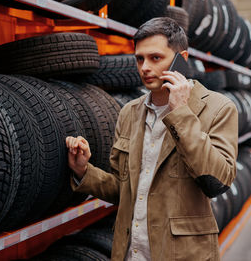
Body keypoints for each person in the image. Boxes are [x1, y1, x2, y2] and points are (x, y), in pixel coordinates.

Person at [65, 17, 238, 261]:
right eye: (140, 59)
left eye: (155, 58)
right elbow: (124, 190)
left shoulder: (218, 108)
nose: (145, 67)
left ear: (182, 59)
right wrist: (84, 171)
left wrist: (180, 113)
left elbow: (217, 181)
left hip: (183, 255)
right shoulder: (130, 113)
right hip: (131, 254)